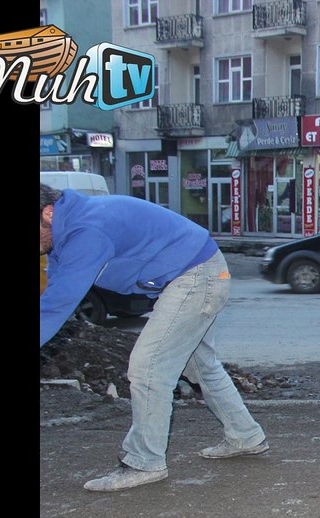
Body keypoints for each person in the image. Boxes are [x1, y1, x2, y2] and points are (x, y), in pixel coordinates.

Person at [39, 184, 268, 492]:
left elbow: (56, 306)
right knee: (201, 367)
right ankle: (246, 436)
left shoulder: (87, 230)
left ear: (48, 213)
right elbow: (53, 293)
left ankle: (143, 462)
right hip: (197, 274)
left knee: (148, 368)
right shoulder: (66, 232)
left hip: (195, 277)